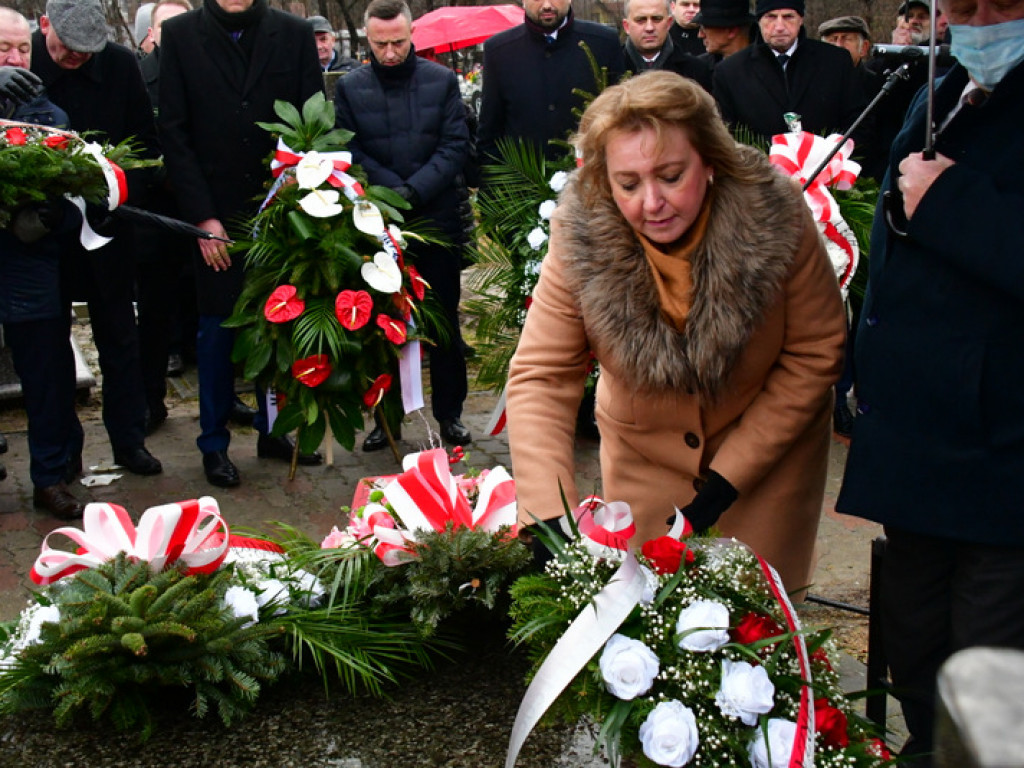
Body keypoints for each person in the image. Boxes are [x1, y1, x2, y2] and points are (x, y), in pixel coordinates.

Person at [506, 71, 846, 592]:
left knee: (756, 644)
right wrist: (547, 511)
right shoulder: (581, 236)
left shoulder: (777, 215)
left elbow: (815, 351)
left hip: (764, 471)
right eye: (628, 184)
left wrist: (728, 479)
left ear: (709, 161)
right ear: (604, 180)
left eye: (670, 176)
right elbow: (542, 376)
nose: (651, 202)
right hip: (645, 470)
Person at [837, 0, 1024, 764]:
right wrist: (859, 368)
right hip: (915, 441)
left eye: (1000, 4)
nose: (979, 19)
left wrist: (954, 206)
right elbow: (893, 247)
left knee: (988, 669)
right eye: (966, 4)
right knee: (914, 645)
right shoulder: (939, 85)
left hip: (1004, 454)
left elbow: (936, 206)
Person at [158, 0, 325, 487]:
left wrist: (302, 181)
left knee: (282, 319)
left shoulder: (292, 34)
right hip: (214, 213)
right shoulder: (183, 35)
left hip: (281, 208)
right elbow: (174, 130)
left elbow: (311, 121)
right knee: (216, 333)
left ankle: (274, 429)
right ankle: (213, 443)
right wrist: (202, 218)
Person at [31, 0, 165, 479]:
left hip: (108, 226)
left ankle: (129, 440)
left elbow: (146, 145)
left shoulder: (121, 64)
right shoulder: (21, 62)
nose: (77, 59)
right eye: (68, 49)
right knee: (49, 349)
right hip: (43, 236)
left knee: (119, 339)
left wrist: (110, 186)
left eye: (88, 52)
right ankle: (63, 452)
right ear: (45, 25)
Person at [334, 0, 472, 451]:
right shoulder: (352, 88)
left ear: (411, 35)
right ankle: (385, 417)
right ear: (367, 39)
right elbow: (350, 150)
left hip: (435, 220)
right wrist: (394, 192)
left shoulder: (441, 80)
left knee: (442, 320)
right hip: (377, 222)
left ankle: (449, 414)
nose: (390, 52)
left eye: (398, 42)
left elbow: (455, 146)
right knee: (380, 321)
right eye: (380, 44)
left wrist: (413, 191)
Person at [0, 7, 84, 518]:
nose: (14, 59)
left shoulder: (46, 113)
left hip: (29, 265)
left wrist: (47, 214)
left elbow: (74, 185)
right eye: (1, 51)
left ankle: (50, 476)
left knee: (46, 374)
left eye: (21, 49)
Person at [477, 0, 624, 163]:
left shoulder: (603, 42)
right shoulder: (499, 50)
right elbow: (489, 131)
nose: (547, 5)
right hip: (523, 179)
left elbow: (620, 117)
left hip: (590, 175)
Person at [712, 0, 867, 148]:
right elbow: (725, 136)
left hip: (829, 169)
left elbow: (859, 124)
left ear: (801, 19)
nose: (779, 27)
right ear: (759, 21)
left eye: (788, 17)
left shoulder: (835, 61)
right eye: (771, 17)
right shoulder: (730, 71)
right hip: (759, 171)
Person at [621, 0, 711, 90]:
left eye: (657, 19)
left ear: (669, 23)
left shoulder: (696, 70)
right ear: (626, 26)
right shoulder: (612, 67)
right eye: (640, 20)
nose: (649, 28)